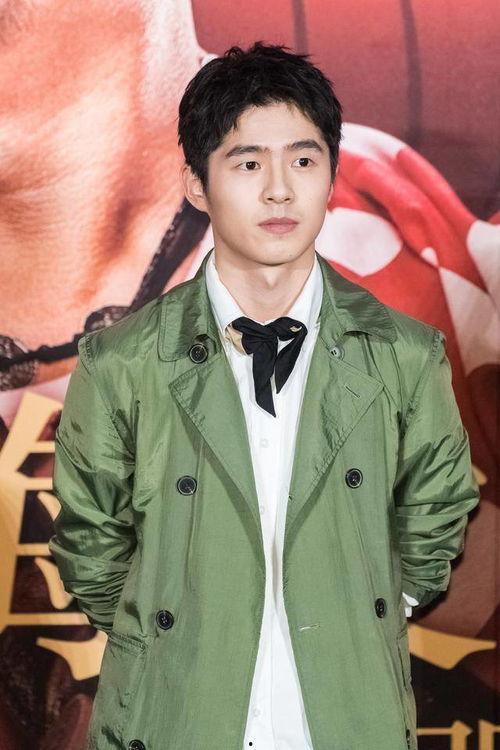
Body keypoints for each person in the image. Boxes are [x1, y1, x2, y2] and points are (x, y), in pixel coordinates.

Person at [49, 41, 480, 750]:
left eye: (304, 161)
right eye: (248, 164)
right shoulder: (123, 361)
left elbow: (437, 508)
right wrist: (167, 631)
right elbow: (91, 538)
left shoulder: (404, 353)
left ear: (332, 176)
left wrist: (370, 611)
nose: (280, 190)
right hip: (178, 715)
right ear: (196, 183)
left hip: (345, 714)